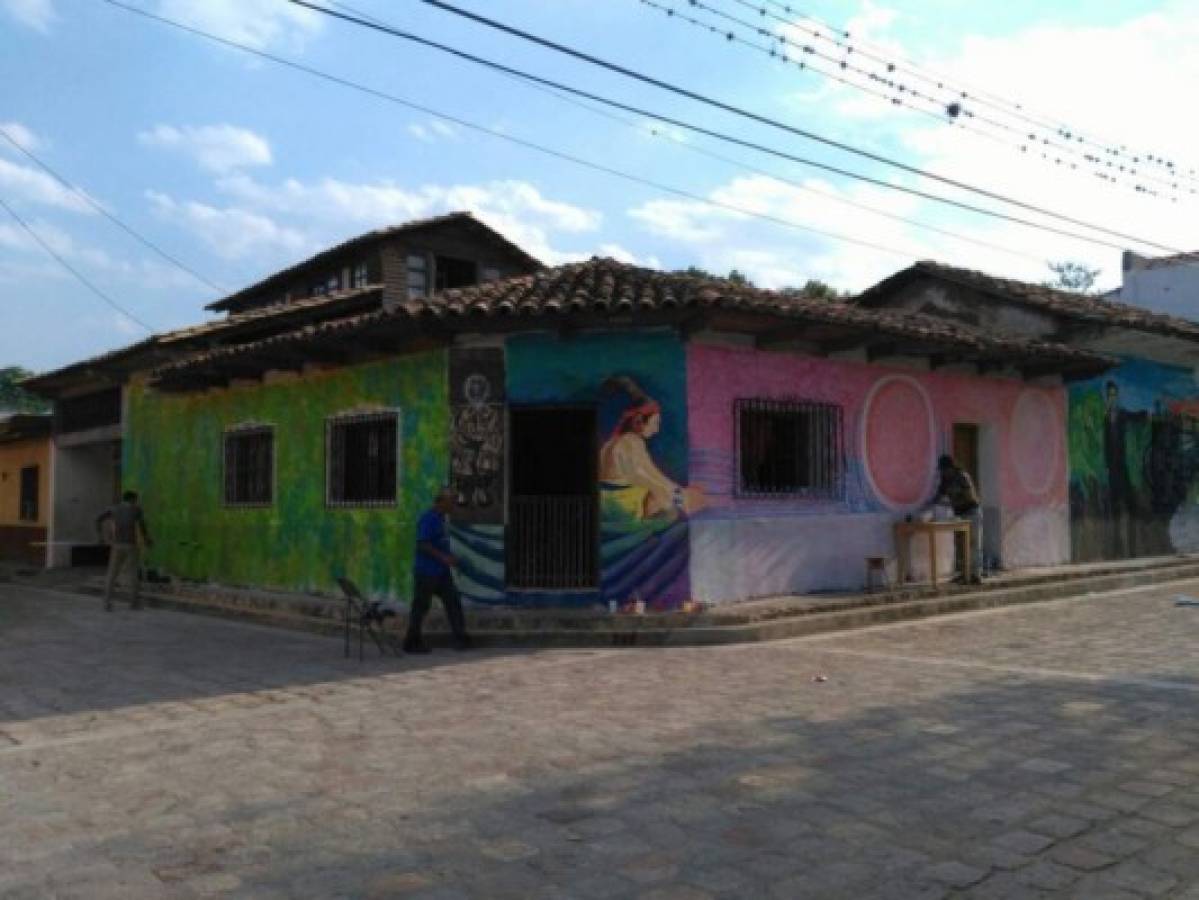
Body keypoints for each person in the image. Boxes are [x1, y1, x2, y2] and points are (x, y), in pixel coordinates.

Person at [599, 376, 704, 520]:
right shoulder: (631, 442)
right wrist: (682, 498)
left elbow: (651, 476)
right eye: (655, 423)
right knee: (666, 500)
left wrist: (680, 493)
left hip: (607, 501)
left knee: (678, 494)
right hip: (621, 506)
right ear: (639, 422)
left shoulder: (613, 442)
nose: (656, 429)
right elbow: (651, 479)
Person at [404, 487, 470, 653]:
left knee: (453, 601)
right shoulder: (429, 519)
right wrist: (444, 558)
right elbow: (423, 544)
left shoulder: (441, 519)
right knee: (420, 607)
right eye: (452, 501)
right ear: (441, 502)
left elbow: (439, 543)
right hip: (427, 572)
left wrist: (451, 558)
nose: (454, 505)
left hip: (441, 573)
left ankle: (460, 638)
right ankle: (412, 642)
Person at [96, 490, 153, 611]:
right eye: (136, 499)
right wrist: (147, 540)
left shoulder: (114, 509)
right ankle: (134, 603)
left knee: (112, 574)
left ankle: (107, 603)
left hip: (117, 545)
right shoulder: (136, 509)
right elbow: (142, 526)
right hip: (131, 545)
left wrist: (100, 536)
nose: (136, 502)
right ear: (132, 499)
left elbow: (98, 518)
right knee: (133, 575)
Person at [930, 455, 983, 583]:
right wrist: (932, 505)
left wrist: (951, 499)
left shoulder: (962, 476)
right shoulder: (945, 481)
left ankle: (975, 574)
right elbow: (938, 496)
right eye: (942, 470)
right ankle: (963, 573)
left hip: (971, 512)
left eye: (945, 469)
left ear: (951, 468)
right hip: (959, 514)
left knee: (972, 543)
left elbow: (969, 496)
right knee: (959, 544)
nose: (943, 472)